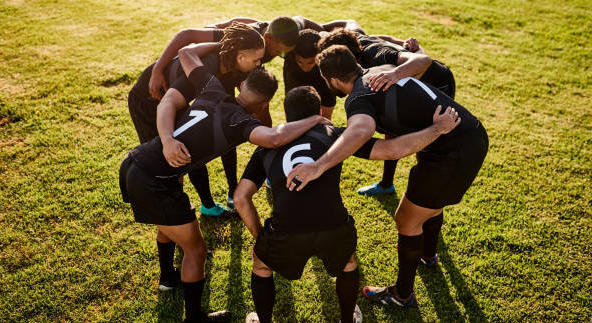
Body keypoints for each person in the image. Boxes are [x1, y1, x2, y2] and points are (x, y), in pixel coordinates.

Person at [120, 49, 329, 322]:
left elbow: (186, 54)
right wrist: (315, 118)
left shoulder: (212, 86)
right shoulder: (241, 121)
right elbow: (274, 138)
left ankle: (168, 277)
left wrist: (219, 39)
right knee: (196, 250)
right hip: (153, 180)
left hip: (135, 163)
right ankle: (195, 318)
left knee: (172, 223)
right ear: (264, 102)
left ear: (242, 85)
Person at [234, 86, 461, 323]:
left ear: (287, 114)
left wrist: (260, 235)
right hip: (333, 224)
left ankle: (263, 320)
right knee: (348, 262)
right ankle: (347, 319)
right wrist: (438, 128)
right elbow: (394, 150)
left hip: (285, 229)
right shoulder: (336, 135)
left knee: (261, 265)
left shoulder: (267, 146)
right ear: (320, 110)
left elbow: (241, 198)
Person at [286, 45, 488, 307]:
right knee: (425, 205)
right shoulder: (381, 70)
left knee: (406, 219)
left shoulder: (358, 98)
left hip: (452, 150)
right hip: (463, 137)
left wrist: (318, 166)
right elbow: (421, 62)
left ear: (333, 80)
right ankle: (428, 256)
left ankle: (402, 295)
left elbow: (368, 135)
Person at [126, 22, 265, 291]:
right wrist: (167, 140)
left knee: (176, 172)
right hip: (151, 102)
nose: (260, 64)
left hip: (173, 108)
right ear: (239, 55)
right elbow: (167, 101)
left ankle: (171, 269)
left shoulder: (232, 69)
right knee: (169, 176)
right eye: (257, 59)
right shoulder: (208, 67)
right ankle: (171, 268)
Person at [318, 28, 456, 196]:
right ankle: (386, 184)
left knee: (426, 142)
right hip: (405, 86)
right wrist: (402, 42)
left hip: (436, 83)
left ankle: (425, 188)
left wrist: (395, 74)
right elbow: (380, 36)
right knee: (391, 126)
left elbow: (423, 60)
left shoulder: (376, 56)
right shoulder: (357, 50)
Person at [283, 29, 336, 119]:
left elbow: (328, 101)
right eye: (300, 62)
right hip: (296, 76)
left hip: (320, 77)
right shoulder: (290, 60)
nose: (305, 68)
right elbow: (290, 102)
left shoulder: (327, 62)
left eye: (310, 63)